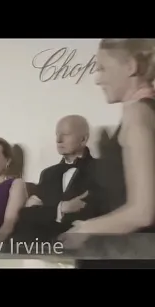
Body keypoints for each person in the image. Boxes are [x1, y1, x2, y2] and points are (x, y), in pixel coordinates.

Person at [60, 39, 155, 267]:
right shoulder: (143, 112)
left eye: (102, 68)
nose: (97, 78)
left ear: (131, 66)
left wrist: (85, 229)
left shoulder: (138, 116)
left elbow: (143, 212)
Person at [14, 115, 104, 245]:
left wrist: (46, 211)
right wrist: (61, 208)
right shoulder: (48, 174)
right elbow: (26, 215)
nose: (58, 140)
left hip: (87, 251)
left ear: (83, 139)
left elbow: (99, 212)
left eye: (65, 134)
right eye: (57, 134)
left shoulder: (102, 169)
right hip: (48, 249)